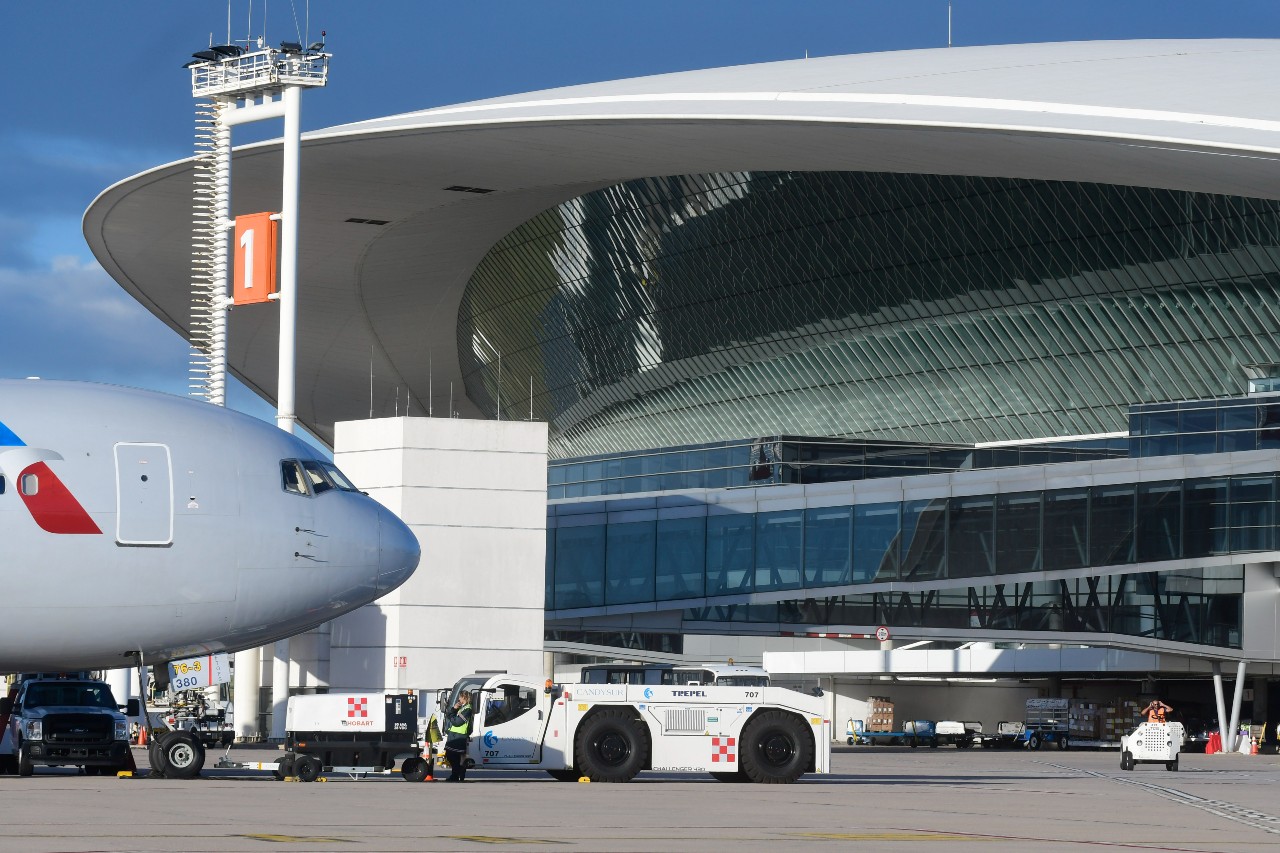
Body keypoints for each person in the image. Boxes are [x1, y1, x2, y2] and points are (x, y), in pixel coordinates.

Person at [443, 690, 474, 782]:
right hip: (454, 735)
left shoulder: (468, 709)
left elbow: (457, 722)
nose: (459, 699)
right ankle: (457, 773)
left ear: (464, 698)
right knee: (450, 756)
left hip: (459, 736)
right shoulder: (462, 708)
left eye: (460, 697)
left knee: (454, 757)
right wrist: (454, 709)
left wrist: (451, 715)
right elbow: (451, 716)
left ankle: (457, 774)